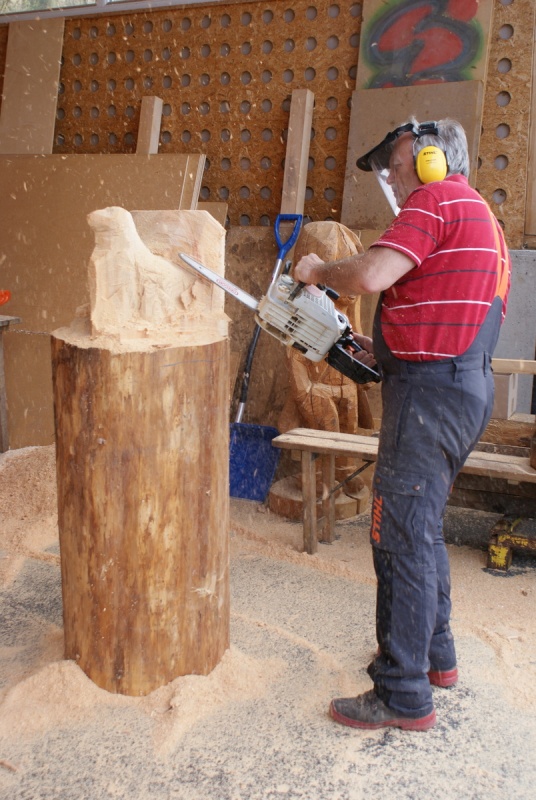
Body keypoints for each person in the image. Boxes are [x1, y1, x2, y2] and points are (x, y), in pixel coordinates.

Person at [293, 117, 511, 731]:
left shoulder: (435, 199)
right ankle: (435, 656)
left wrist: (317, 273)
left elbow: (368, 275)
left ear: (432, 159)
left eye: (395, 163)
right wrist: (378, 347)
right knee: (423, 527)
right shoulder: (481, 218)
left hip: (430, 396)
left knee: (397, 533)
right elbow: (448, 317)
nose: (390, 177)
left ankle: (402, 692)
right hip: (458, 385)